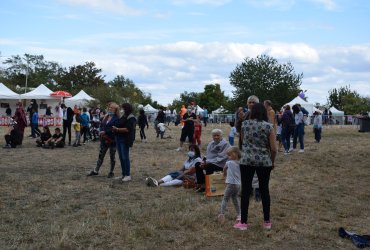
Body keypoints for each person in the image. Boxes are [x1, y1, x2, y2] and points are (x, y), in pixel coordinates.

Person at [234, 103, 277, 230]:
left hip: (246, 160)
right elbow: (274, 149)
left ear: (252, 112)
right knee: (264, 190)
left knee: (246, 190)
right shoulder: (269, 127)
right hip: (264, 162)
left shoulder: (245, 125)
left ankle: (243, 222)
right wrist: (272, 161)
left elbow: (243, 142)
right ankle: (267, 221)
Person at [88, 102, 120, 178]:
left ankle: (111, 172)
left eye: (112, 108)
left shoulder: (117, 118)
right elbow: (102, 125)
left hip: (112, 140)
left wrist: (105, 131)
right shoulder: (106, 116)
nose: (110, 109)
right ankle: (96, 170)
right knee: (101, 156)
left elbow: (114, 128)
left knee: (112, 157)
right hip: (103, 139)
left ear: (115, 110)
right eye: (109, 107)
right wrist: (101, 130)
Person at [112, 103, 137, 182]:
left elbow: (127, 129)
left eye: (122, 108)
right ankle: (123, 174)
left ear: (126, 108)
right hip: (118, 138)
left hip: (125, 139)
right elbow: (118, 123)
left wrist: (117, 129)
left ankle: (128, 175)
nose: (121, 110)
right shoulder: (124, 116)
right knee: (121, 157)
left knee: (125, 157)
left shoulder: (131, 118)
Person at [218, 146, 241, 223]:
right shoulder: (241, 163)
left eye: (229, 155)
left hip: (231, 184)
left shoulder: (229, 162)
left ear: (235, 154)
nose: (228, 157)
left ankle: (221, 214)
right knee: (235, 198)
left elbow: (224, 169)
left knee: (225, 198)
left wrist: (224, 174)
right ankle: (239, 214)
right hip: (238, 185)